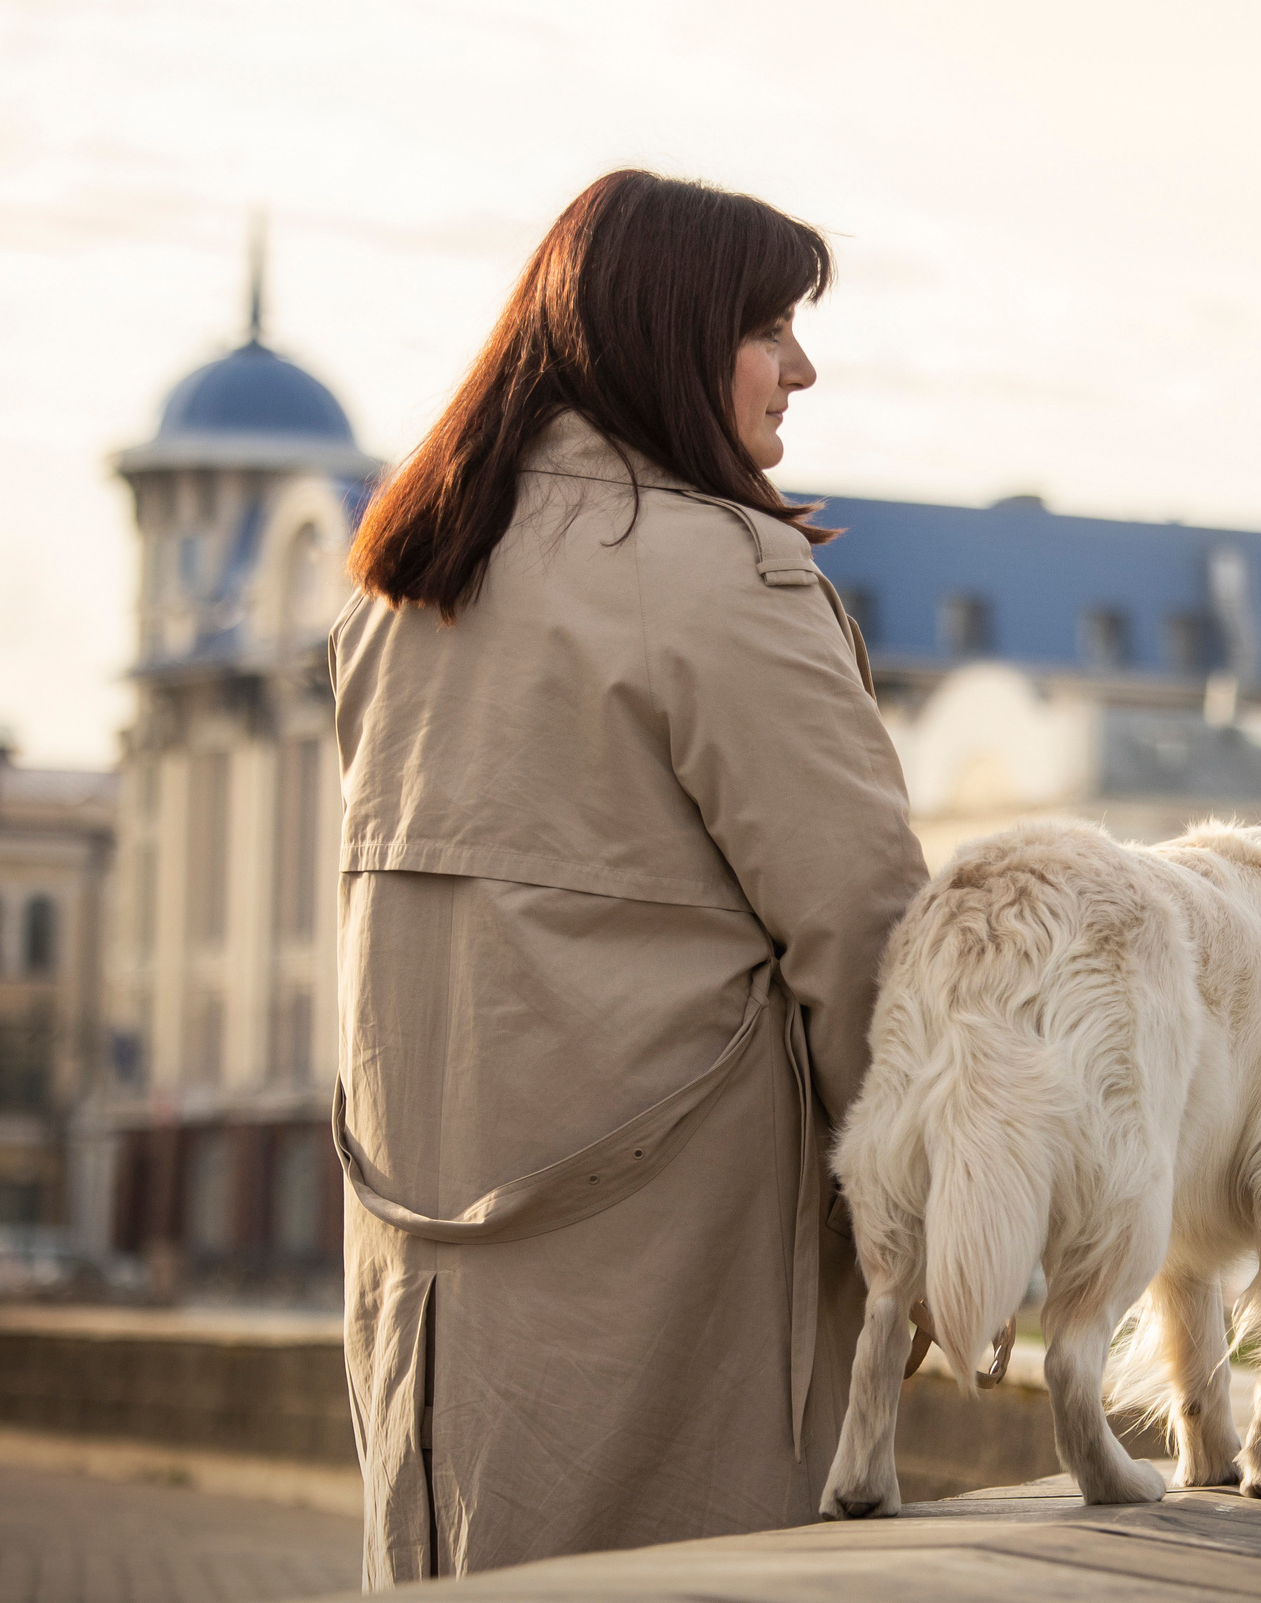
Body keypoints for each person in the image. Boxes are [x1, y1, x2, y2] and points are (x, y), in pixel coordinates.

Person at [329, 170, 929, 1586]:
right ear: (670, 334)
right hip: (674, 1254)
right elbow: (868, 938)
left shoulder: (401, 585)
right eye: (767, 329)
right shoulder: (722, 577)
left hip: (428, 1259)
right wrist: (933, 1227)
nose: (800, 369)